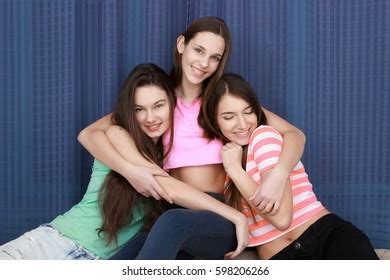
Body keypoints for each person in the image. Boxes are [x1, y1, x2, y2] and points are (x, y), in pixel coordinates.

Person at [78, 16, 305, 260]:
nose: (204, 63)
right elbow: (88, 134)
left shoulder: (220, 103)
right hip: (172, 212)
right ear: (181, 45)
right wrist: (129, 170)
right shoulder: (159, 103)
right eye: (199, 50)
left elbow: (295, 134)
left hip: (217, 216)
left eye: (215, 58)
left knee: (172, 224)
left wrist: (279, 174)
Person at [0, 64, 246, 260]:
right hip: (48, 245)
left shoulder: (170, 157)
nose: (150, 118)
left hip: (95, 262)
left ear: (173, 103)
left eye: (158, 106)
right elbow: (165, 186)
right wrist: (236, 216)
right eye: (139, 109)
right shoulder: (119, 134)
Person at [202, 72, 379, 260]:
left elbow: (281, 219)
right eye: (229, 117)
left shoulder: (263, 137)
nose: (243, 123)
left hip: (326, 239)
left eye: (248, 112)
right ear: (215, 122)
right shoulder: (228, 165)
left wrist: (235, 170)